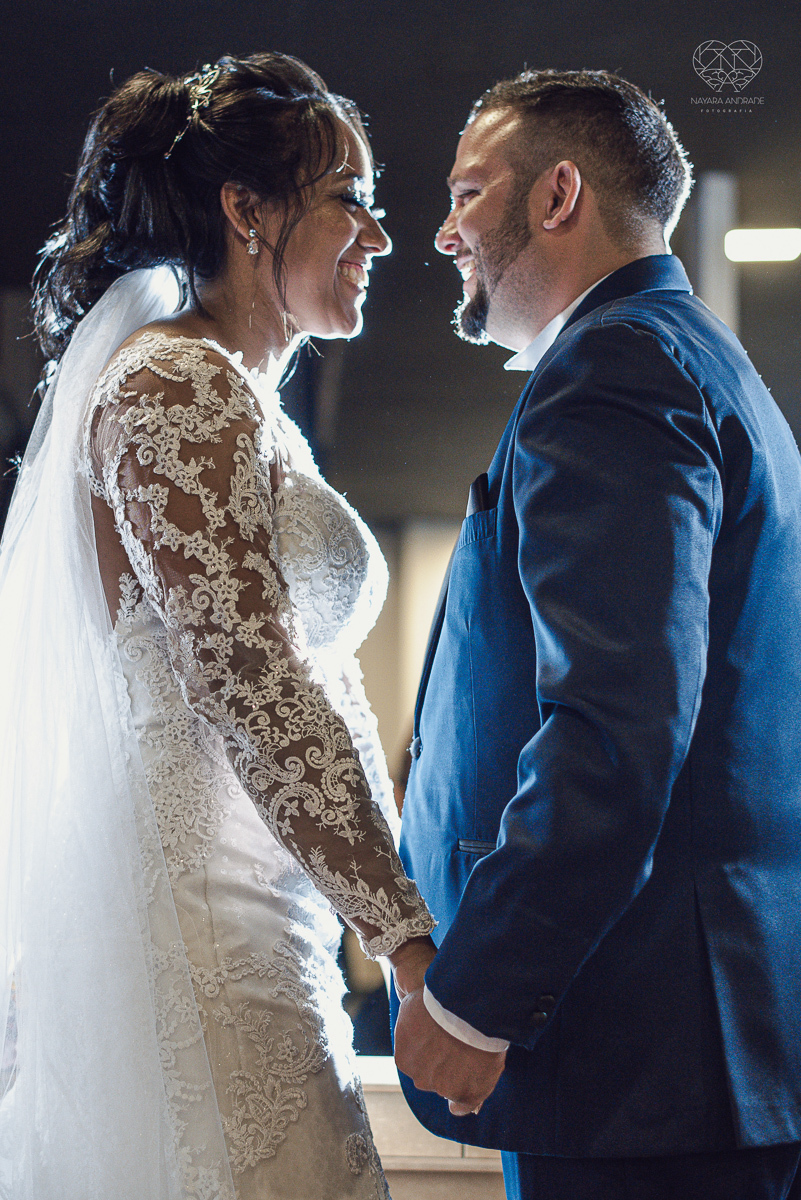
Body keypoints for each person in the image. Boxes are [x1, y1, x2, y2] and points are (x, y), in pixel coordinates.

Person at [0, 52, 438, 1200]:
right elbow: (255, 683)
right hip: (206, 931)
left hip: (272, 919)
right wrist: (403, 937)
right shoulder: (173, 388)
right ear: (247, 211)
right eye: (352, 199)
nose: (380, 236)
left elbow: (315, 687)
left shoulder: (247, 405)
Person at [393, 68, 801, 1200]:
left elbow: (616, 724)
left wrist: (478, 993)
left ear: (557, 194)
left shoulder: (611, 370)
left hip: (639, 1062)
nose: (442, 232)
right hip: (685, 1054)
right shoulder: (699, 356)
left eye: (469, 193)